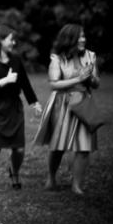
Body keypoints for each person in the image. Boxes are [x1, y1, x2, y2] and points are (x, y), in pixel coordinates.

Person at [33, 24, 100, 195]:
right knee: (58, 145)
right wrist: (79, 78)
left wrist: (90, 78)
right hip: (62, 104)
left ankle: (76, 185)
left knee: (84, 146)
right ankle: (51, 178)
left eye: (84, 36)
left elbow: (96, 83)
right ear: (70, 40)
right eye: (80, 37)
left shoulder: (91, 56)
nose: (83, 39)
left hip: (84, 103)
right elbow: (54, 84)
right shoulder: (58, 58)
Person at [0, 25, 42, 195]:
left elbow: (25, 83)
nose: (13, 43)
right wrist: (4, 81)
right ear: (0, 40)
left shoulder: (15, 60)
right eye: (10, 39)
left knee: (19, 149)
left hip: (14, 108)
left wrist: (34, 102)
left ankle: (14, 173)